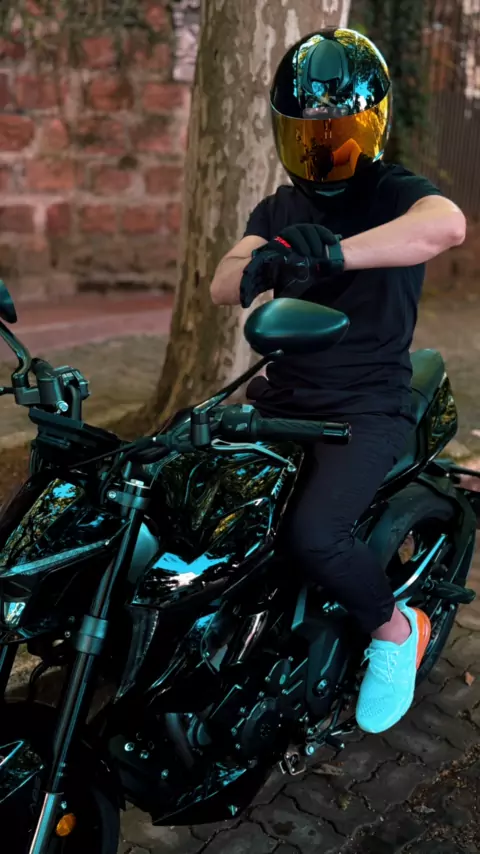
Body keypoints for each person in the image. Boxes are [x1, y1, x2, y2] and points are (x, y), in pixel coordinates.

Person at [209, 28, 466, 734]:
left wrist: (334, 256)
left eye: (340, 134)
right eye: (308, 137)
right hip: (283, 395)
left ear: (372, 126)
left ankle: (395, 630)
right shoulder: (279, 209)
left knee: (317, 534)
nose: (324, 151)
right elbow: (221, 284)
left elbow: (445, 226)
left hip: (366, 406)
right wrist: (260, 264)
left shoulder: (394, 191)